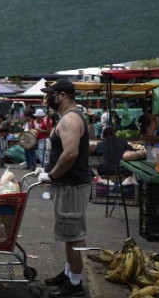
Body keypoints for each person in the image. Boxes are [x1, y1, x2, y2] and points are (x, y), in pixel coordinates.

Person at [37, 79, 92, 297]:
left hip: (72, 186)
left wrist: (52, 175)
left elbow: (70, 154)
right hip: (68, 185)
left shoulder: (70, 119)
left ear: (62, 95)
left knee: (75, 233)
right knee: (69, 233)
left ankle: (75, 284)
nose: (48, 98)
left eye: (50, 94)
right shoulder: (69, 117)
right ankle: (69, 274)